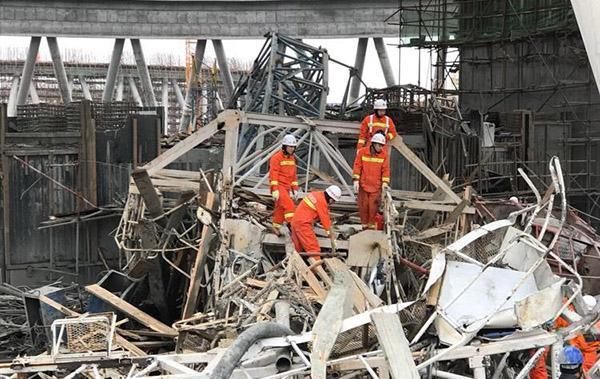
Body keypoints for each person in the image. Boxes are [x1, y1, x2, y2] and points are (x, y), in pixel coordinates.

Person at [290, 185, 341, 260]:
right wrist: (331, 236)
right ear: (331, 199)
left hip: (295, 222)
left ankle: (293, 267)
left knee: (297, 249)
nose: (332, 203)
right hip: (303, 225)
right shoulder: (322, 202)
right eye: (334, 201)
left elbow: (313, 212)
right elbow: (326, 220)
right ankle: (317, 269)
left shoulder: (317, 194)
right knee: (313, 249)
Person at [352, 133, 391, 230]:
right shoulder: (362, 152)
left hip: (376, 187)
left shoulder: (384, 155)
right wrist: (356, 180)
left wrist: (385, 183)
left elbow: (386, 170)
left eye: (382, 145)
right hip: (363, 186)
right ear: (373, 143)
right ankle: (364, 228)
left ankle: (371, 229)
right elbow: (357, 166)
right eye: (379, 145)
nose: (381, 147)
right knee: (363, 208)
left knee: (373, 209)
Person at [269, 134, 299, 235]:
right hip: (279, 187)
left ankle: (276, 226)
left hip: (286, 187)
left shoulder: (292, 159)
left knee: (280, 208)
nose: (292, 149)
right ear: (284, 146)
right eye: (290, 146)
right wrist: (275, 189)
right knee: (289, 206)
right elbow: (273, 174)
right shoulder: (276, 158)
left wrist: (295, 189)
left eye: (293, 147)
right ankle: (293, 227)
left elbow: (294, 176)